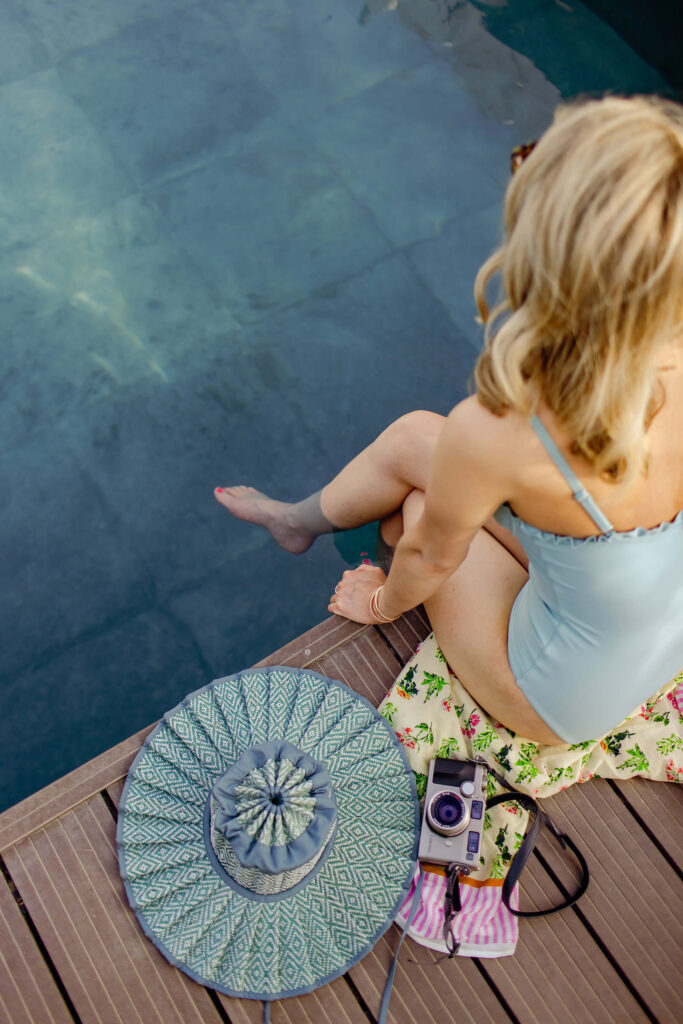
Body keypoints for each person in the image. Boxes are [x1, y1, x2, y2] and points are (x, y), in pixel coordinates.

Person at [214, 96, 683, 746]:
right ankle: (295, 520)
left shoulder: (501, 432)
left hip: (560, 697)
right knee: (413, 437)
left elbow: (429, 558)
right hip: (648, 615)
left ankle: (301, 524)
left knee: (413, 506)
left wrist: (379, 603)